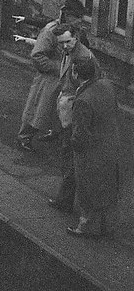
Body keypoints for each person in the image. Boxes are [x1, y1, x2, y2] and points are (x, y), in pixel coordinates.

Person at [15, 0, 85, 152]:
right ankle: (25, 136)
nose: (80, 21)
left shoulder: (75, 31)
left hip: (68, 79)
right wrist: (59, 68)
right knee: (38, 108)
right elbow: (37, 55)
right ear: (67, 15)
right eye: (77, 17)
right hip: (49, 79)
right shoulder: (50, 31)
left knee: (62, 110)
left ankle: (54, 132)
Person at [67, 57, 121, 238]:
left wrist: (73, 145)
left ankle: (86, 226)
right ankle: (106, 227)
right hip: (110, 145)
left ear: (76, 74)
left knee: (87, 189)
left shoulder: (83, 100)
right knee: (106, 187)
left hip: (90, 152)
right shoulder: (107, 85)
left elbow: (80, 133)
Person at [50, 22, 98, 214]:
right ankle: (66, 200)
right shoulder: (69, 51)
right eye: (61, 43)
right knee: (67, 156)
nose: (64, 46)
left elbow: (87, 88)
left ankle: (66, 202)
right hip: (67, 112)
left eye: (67, 41)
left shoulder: (82, 58)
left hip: (74, 115)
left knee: (70, 157)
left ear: (76, 38)